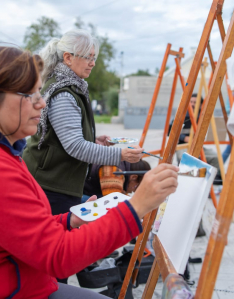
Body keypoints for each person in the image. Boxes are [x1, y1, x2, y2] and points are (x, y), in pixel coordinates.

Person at [0, 46, 179, 299]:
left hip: (9, 284)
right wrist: (137, 206)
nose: (42, 103)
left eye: (39, 93)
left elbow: (24, 228)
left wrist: (69, 221)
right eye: (29, 95)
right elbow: (57, 257)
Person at [22, 29, 143, 217]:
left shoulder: (70, 86)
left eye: (94, 57)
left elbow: (64, 139)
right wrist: (121, 155)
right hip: (51, 186)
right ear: (68, 58)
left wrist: (93, 140)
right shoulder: (63, 93)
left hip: (56, 182)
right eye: (88, 57)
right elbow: (75, 146)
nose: (93, 63)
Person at [83, 159, 151, 200]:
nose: (131, 192)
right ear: (134, 177)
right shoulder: (113, 172)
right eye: (135, 187)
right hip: (76, 196)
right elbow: (112, 203)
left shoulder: (122, 164)